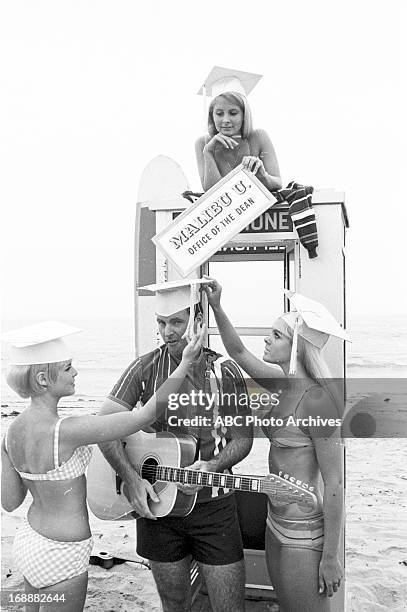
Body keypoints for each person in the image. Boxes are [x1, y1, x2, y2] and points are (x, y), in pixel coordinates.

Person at [1, 321, 204, 612]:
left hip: (29, 544)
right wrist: (184, 363)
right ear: (44, 379)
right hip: (63, 555)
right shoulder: (67, 430)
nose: (75, 372)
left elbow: (10, 502)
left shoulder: (10, 433)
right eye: (68, 367)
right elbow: (143, 416)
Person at [98, 278, 253, 612]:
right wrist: (131, 477)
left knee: (230, 608)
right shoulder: (144, 368)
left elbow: (243, 441)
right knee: (174, 605)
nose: (167, 331)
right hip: (157, 509)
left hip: (215, 508)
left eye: (177, 322)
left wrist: (211, 466)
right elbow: (104, 427)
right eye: (161, 322)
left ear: (198, 322)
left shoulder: (224, 371)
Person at [203, 278, 350, 612]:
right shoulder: (280, 382)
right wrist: (217, 306)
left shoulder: (319, 402)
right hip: (274, 521)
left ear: (297, 346)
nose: (267, 340)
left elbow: (336, 482)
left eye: (277, 335)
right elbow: (238, 351)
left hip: (303, 534)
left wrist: (330, 557)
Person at [195, 70, 282, 193]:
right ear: (211, 115)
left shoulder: (259, 136)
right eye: (219, 114)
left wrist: (262, 175)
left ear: (244, 114)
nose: (225, 120)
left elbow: (278, 183)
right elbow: (212, 194)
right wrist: (208, 152)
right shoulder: (202, 143)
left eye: (233, 113)